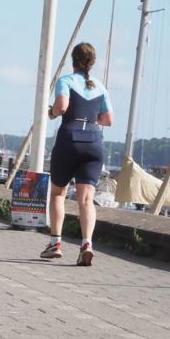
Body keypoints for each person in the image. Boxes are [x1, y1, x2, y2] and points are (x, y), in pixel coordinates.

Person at [42, 43, 113, 266]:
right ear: (92, 62)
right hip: (93, 141)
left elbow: (62, 107)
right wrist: (92, 120)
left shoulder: (66, 81)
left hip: (70, 139)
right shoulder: (100, 87)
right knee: (86, 199)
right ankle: (86, 245)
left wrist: (51, 113)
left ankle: (55, 243)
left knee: (58, 194)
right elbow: (108, 120)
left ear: (73, 61)